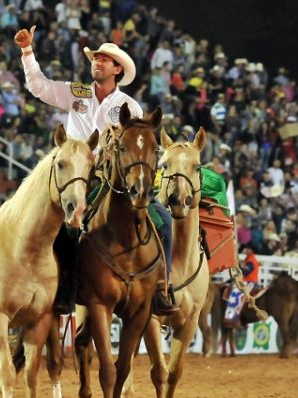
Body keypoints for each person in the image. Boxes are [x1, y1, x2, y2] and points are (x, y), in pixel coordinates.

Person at [14, 26, 177, 315]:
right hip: (77, 173)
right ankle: (63, 287)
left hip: (113, 175)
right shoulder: (75, 92)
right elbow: (39, 87)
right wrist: (28, 52)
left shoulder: (129, 106)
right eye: (95, 59)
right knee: (61, 222)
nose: (96, 63)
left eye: (103, 60)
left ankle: (162, 287)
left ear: (117, 68)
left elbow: (138, 144)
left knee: (163, 219)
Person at [224, 244, 260, 327]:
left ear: (251, 251)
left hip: (250, 282)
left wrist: (238, 265)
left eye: (248, 248)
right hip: (247, 281)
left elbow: (245, 272)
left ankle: (231, 317)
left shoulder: (251, 260)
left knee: (236, 293)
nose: (246, 250)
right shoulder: (249, 259)